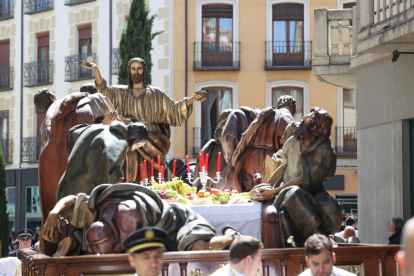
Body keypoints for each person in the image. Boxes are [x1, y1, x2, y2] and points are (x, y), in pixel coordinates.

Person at [78, 58, 207, 183]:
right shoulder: (121, 92)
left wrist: (193, 98)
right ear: (129, 72)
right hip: (131, 142)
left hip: (152, 143)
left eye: (139, 69)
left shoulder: (157, 94)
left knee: (152, 178)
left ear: (144, 71)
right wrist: (95, 70)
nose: (136, 72)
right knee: (130, 175)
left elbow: (174, 111)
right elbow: (103, 93)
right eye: (133, 69)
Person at [42, 183, 239, 257]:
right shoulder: (95, 211)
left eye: (109, 252)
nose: (109, 255)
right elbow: (75, 199)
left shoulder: (126, 215)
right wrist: (54, 212)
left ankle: (231, 235)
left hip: (178, 221)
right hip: (158, 235)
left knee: (198, 250)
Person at [250, 108, 342, 248]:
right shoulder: (293, 140)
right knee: (291, 194)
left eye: (310, 117)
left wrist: (273, 192)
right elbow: (282, 166)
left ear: (317, 126)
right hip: (284, 191)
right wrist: (266, 186)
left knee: (294, 193)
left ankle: (321, 238)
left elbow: (303, 180)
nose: (304, 117)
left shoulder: (325, 151)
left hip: (310, 195)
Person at [35, 88, 119, 224]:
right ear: (53, 97)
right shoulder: (78, 105)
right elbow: (105, 102)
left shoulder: (46, 125)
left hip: (62, 173)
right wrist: (109, 124)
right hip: (86, 165)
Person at [219, 97, 295, 192]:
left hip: (247, 161)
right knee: (263, 197)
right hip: (267, 163)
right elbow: (290, 146)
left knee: (246, 198)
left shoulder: (267, 114)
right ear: (293, 109)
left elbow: (227, 139)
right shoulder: (286, 116)